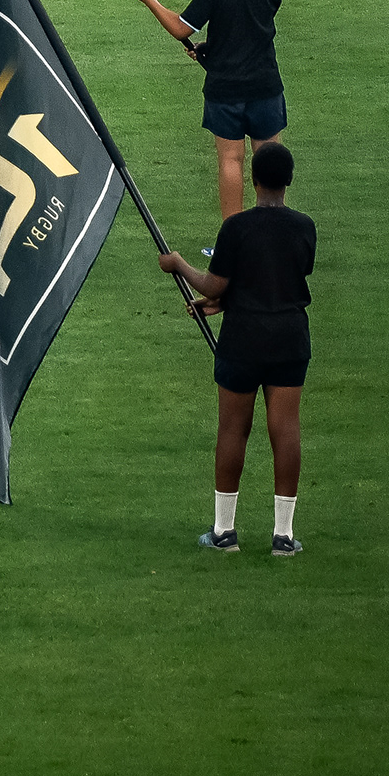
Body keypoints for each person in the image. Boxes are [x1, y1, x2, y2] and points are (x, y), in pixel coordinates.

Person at [156, 138, 317, 558]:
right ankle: (283, 535)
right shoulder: (304, 227)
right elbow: (278, 279)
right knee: (286, 431)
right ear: (289, 181)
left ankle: (225, 531)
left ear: (253, 179)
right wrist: (221, 304)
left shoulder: (237, 227)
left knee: (233, 430)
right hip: (289, 337)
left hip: (243, 339)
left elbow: (216, 283)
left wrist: (179, 265)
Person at [133, 0, 286, 221]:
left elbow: (180, 28)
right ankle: (274, 231)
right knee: (269, 161)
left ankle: (232, 240)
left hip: (223, 91)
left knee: (231, 160)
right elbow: (252, 27)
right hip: (265, 88)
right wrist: (212, 50)